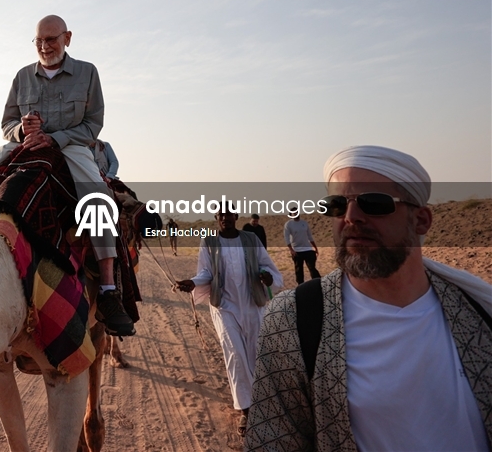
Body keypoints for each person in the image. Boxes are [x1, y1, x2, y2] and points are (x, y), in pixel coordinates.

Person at [246, 146, 492, 451]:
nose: (351, 217)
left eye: (373, 204)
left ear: (422, 221)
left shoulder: (478, 309)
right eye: (337, 205)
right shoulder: (293, 322)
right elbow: (273, 441)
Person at [0, 14, 134, 336]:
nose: (44, 46)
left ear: (67, 38)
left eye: (51, 39)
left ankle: (107, 289)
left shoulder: (87, 73)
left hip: (72, 145)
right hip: (25, 145)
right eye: (38, 41)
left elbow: (93, 124)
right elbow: (6, 123)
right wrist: (22, 131)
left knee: (99, 196)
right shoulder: (22, 76)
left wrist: (55, 138)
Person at [176, 207, 282, 437]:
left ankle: (261, 399)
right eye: (220, 215)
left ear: (236, 217)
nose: (225, 218)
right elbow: (205, 272)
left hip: (252, 304)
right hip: (224, 306)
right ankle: (245, 408)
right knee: (235, 354)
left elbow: (267, 265)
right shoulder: (210, 242)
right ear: (217, 219)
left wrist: (267, 276)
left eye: (229, 214)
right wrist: (193, 283)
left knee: (255, 353)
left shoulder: (251, 239)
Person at [284, 208, 320, 284]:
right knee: (299, 269)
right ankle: (300, 285)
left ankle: (317, 283)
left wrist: (315, 247)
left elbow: (310, 236)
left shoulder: (304, 223)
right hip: (297, 250)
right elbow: (286, 238)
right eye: (294, 213)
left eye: (297, 212)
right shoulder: (288, 224)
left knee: (312, 268)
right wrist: (291, 250)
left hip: (307, 249)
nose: (296, 214)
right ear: (291, 214)